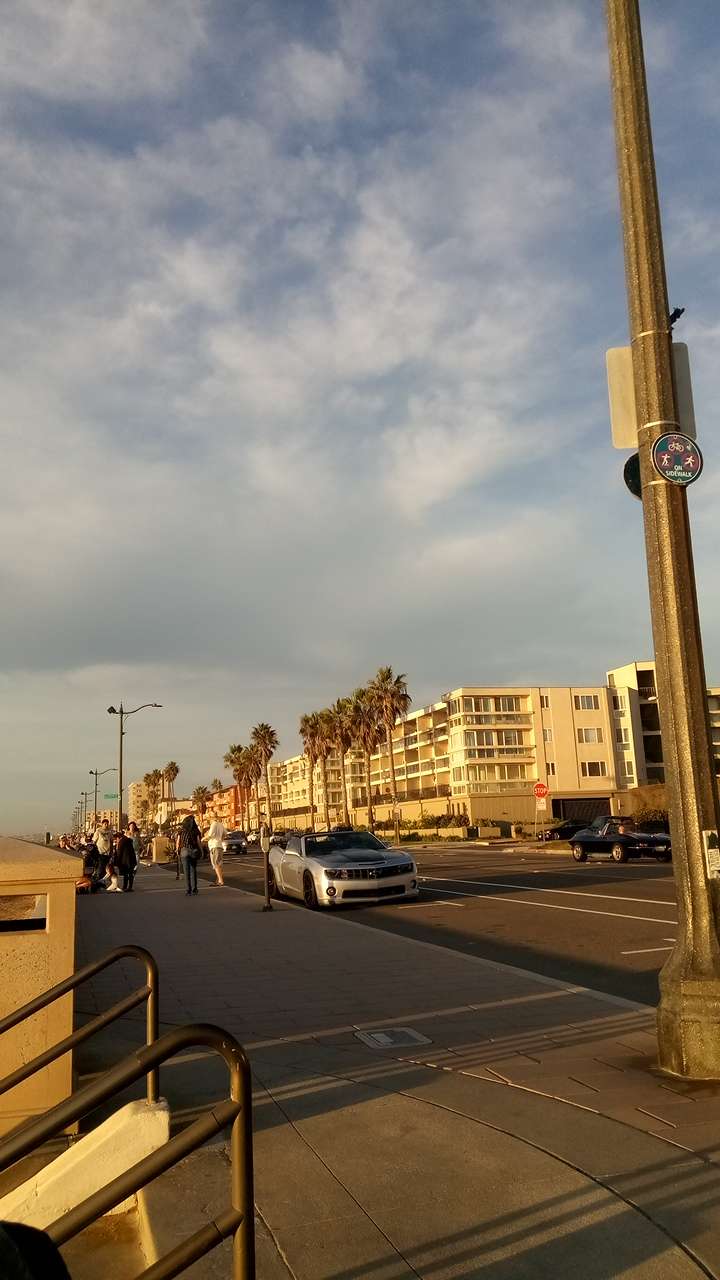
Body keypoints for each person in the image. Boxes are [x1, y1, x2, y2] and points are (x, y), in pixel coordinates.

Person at [177, 814, 203, 895]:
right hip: (193, 851)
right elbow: (199, 842)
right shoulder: (196, 831)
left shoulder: (181, 831)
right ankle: (195, 889)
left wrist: (177, 851)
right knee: (193, 870)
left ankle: (188, 890)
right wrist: (201, 851)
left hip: (184, 851)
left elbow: (178, 842)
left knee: (186, 871)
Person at [205, 816, 226, 886]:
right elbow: (225, 834)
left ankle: (220, 881)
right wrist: (221, 840)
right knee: (219, 864)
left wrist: (203, 839)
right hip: (220, 846)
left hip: (214, 846)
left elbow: (210, 835)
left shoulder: (214, 824)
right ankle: (218, 880)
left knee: (216, 864)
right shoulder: (221, 824)